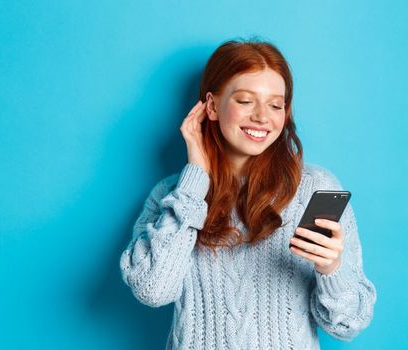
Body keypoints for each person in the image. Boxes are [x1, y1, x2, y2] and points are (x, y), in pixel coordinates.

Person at [119, 39, 376, 349]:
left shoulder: (314, 188)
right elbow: (153, 289)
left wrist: (331, 269)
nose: (262, 116)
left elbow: (349, 324)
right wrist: (195, 179)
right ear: (211, 107)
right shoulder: (172, 194)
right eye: (245, 100)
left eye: (275, 104)